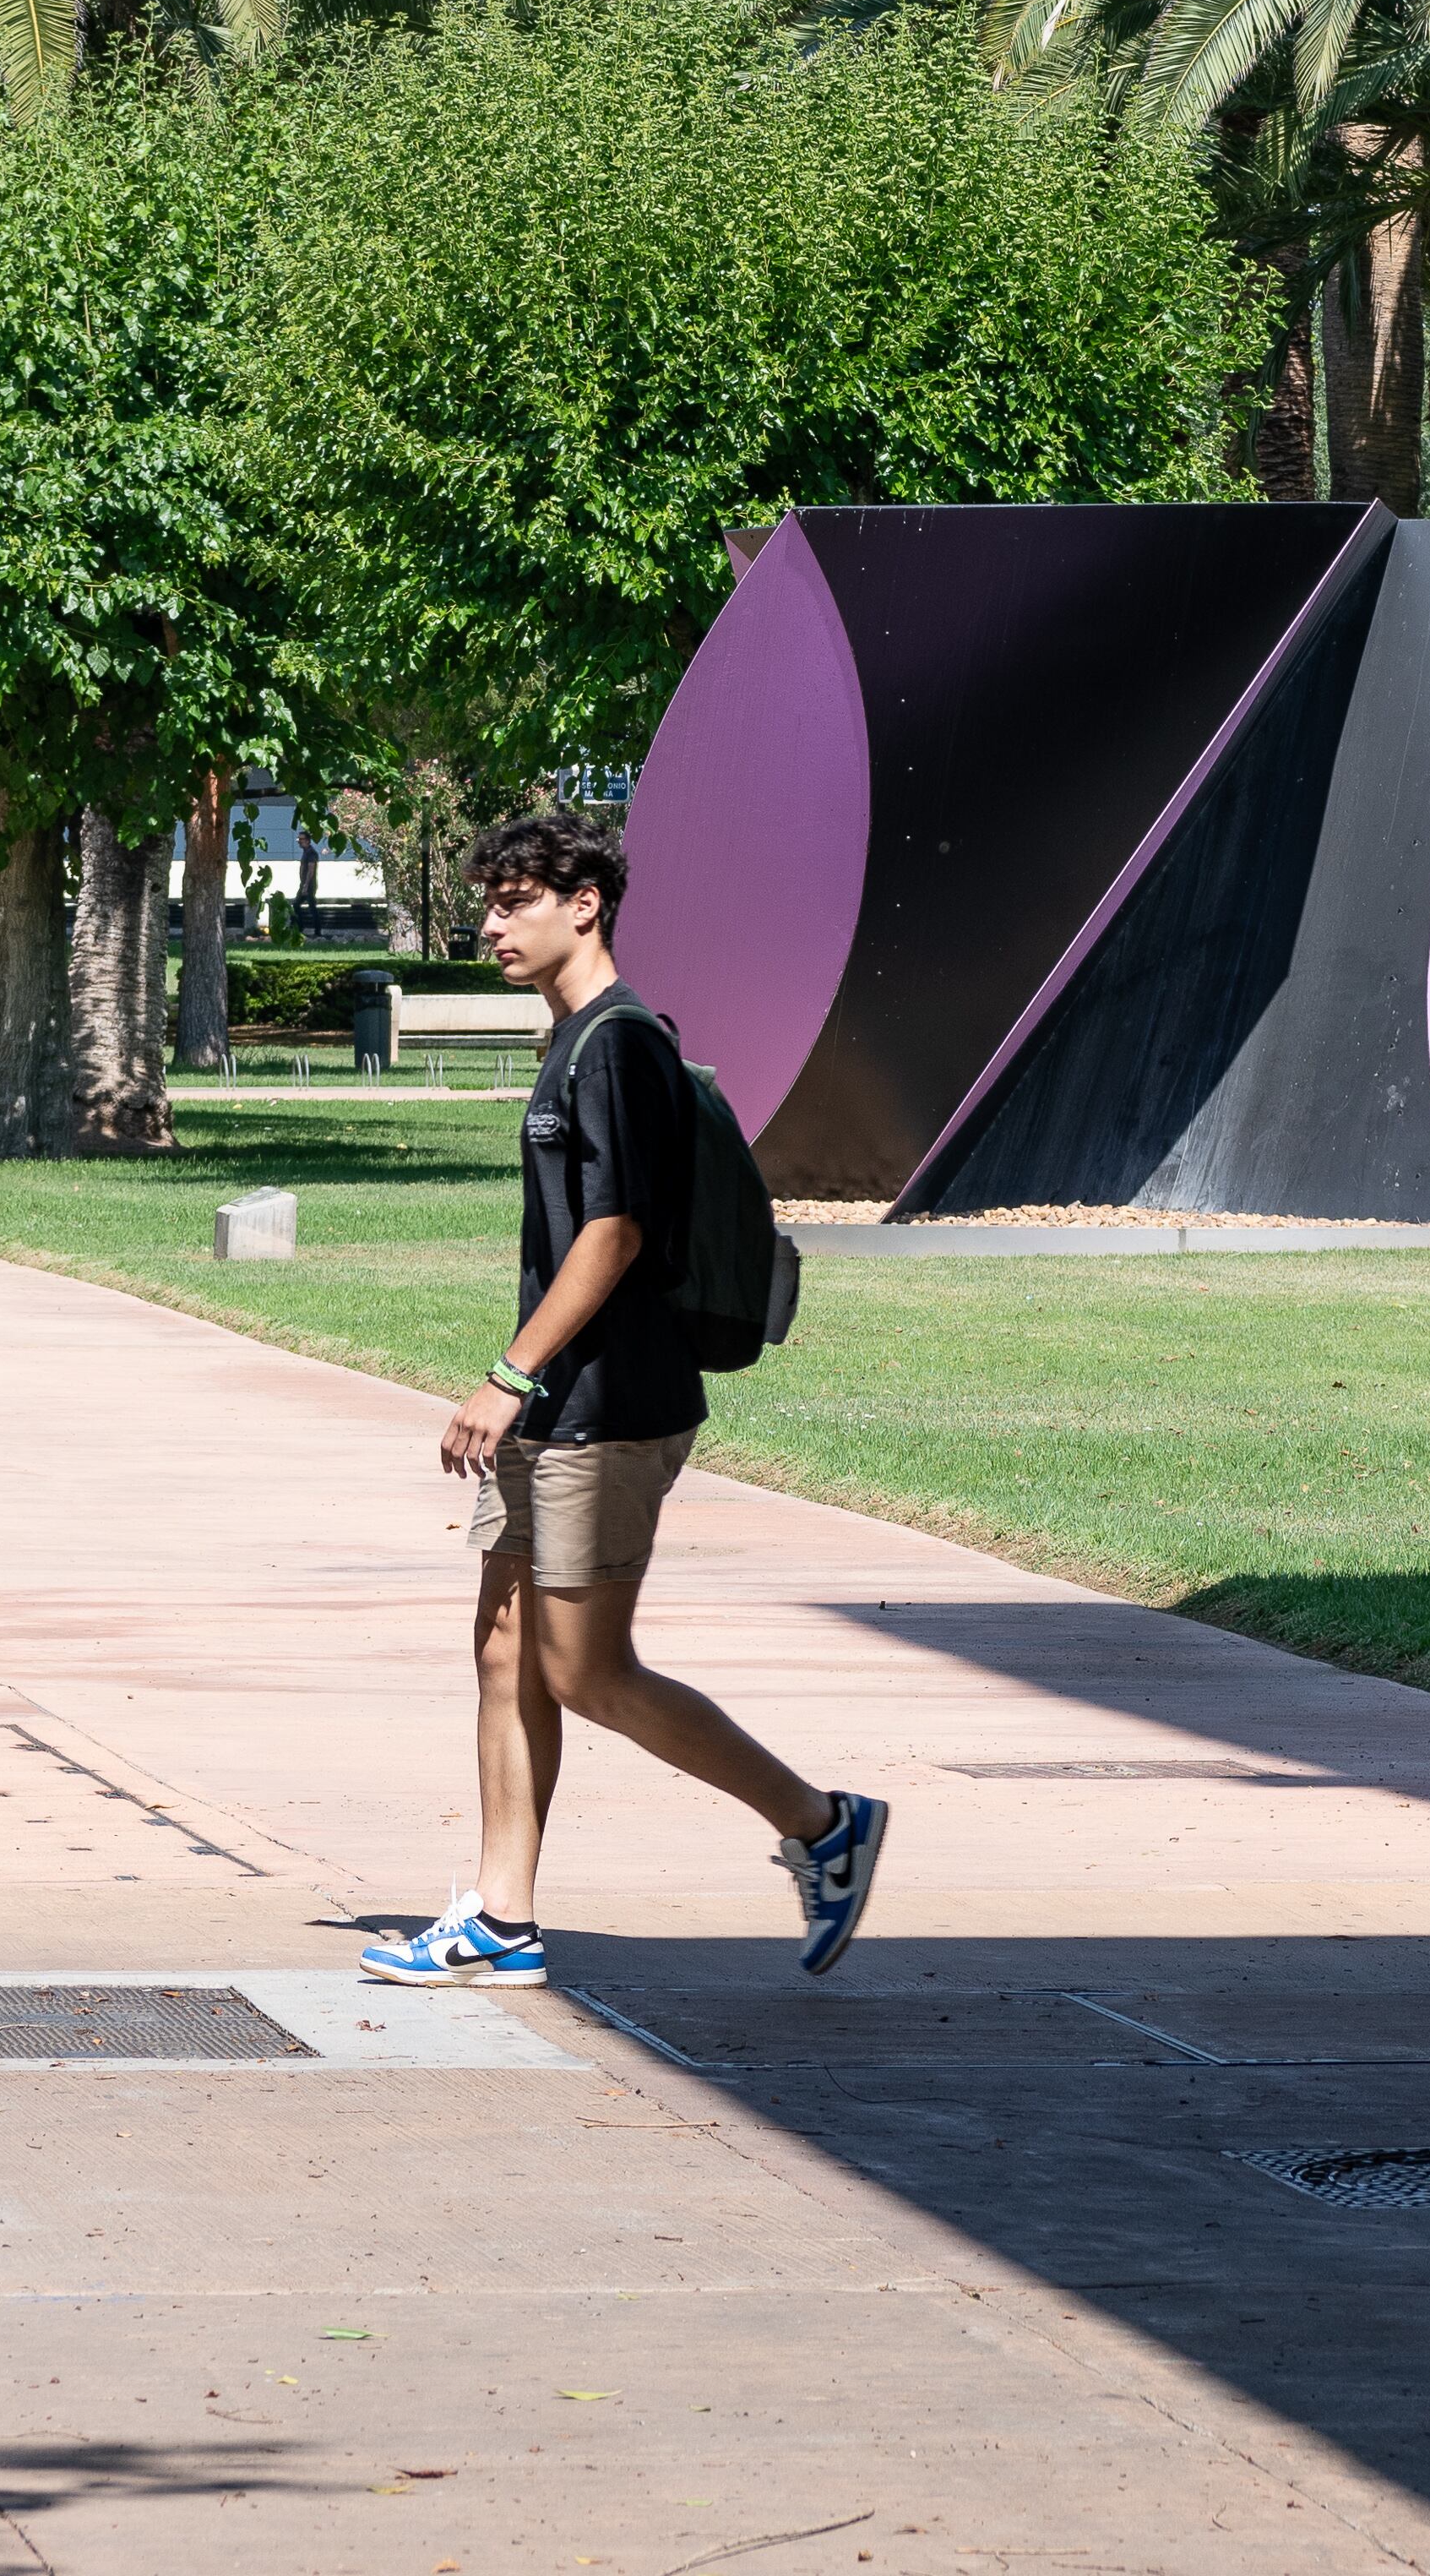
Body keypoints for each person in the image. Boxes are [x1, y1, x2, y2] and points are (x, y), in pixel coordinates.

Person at [360, 809, 884, 1989]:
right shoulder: (572, 1043)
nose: (489, 923)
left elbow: (616, 1234)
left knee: (586, 1671)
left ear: (582, 904)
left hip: (611, 1405)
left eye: (513, 901)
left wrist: (508, 1376)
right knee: (502, 1652)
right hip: (559, 1404)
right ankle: (501, 1918)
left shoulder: (618, 1047)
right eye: (488, 902)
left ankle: (820, 1824)